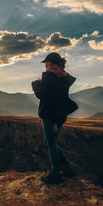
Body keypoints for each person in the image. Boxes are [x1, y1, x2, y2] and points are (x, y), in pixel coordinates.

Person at [31, 52, 77, 184]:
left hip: (49, 113)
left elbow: (42, 94)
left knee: (50, 143)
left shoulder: (50, 75)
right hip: (61, 114)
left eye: (46, 62)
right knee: (50, 142)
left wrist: (35, 85)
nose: (45, 65)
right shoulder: (64, 76)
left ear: (50, 62)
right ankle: (68, 169)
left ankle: (55, 173)